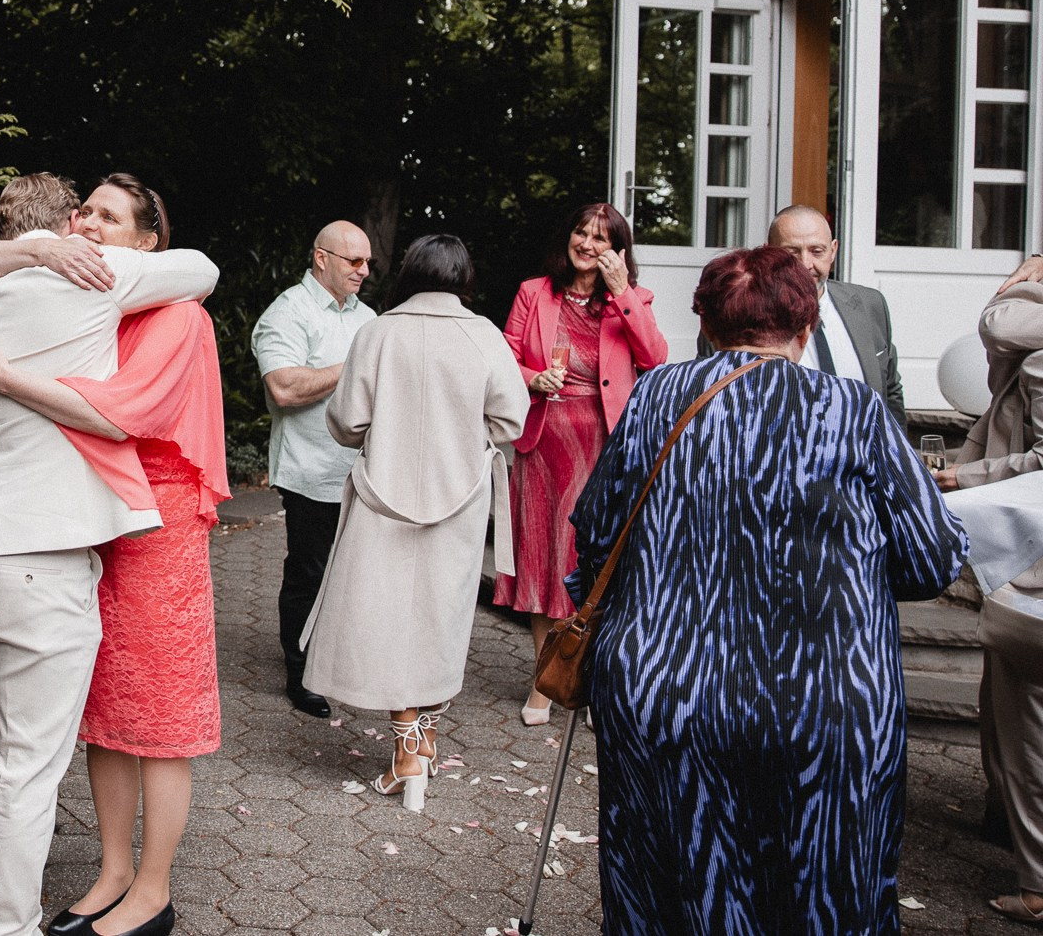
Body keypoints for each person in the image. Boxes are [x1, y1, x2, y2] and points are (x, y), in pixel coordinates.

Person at [570, 244, 966, 934]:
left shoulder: (657, 397)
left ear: (708, 326)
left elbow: (598, 535)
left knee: (667, 887)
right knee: (826, 897)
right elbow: (932, 559)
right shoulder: (856, 410)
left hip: (667, 697)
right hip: (827, 708)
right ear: (806, 328)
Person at [0, 173, 218, 936]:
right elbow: (203, 269)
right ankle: (8, 927)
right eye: (83, 214)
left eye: (105, 216)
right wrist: (64, 259)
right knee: (26, 760)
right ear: (63, 231)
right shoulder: (93, 285)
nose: (90, 227)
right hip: (40, 549)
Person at [298, 235, 528, 813]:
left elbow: (348, 421)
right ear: (464, 279)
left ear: (408, 274)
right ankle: (419, 744)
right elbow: (511, 419)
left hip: (385, 499)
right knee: (438, 618)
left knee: (391, 618)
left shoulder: (378, 332)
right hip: (461, 498)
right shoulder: (484, 335)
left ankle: (408, 753)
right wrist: (467, 440)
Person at [496, 201, 666, 725]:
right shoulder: (535, 292)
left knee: (591, 565)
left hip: (603, 447)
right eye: (580, 232)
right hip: (544, 444)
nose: (587, 244)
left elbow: (655, 359)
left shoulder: (631, 299)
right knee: (547, 562)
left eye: (601, 237)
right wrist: (530, 378)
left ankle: (590, 680)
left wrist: (622, 295)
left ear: (617, 250)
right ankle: (547, 680)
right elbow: (504, 353)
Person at [932, 280, 1043, 923]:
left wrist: (962, 478)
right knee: (1003, 713)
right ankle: (1008, 829)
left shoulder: (1035, 349)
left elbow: (1001, 322)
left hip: (1034, 574)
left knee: (1027, 729)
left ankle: (1036, 885)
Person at [250, 221, 376, 718]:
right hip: (311, 470)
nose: (364, 271)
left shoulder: (368, 317)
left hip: (363, 471)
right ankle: (300, 673)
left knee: (352, 573)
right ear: (321, 258)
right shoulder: (288, 312)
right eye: (354, 261)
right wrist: (356, 365)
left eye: (367, 262)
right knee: (310, 571)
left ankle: (337, 658)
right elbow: (283, 387)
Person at [699, 204, 905, 424]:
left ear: (833, 250)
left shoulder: (869, 304)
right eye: (792, 253)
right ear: (769, 253)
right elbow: (715, 400)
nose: (806, 264)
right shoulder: (734, 314)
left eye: (817, 251)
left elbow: (890, 392)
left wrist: (898, 454)